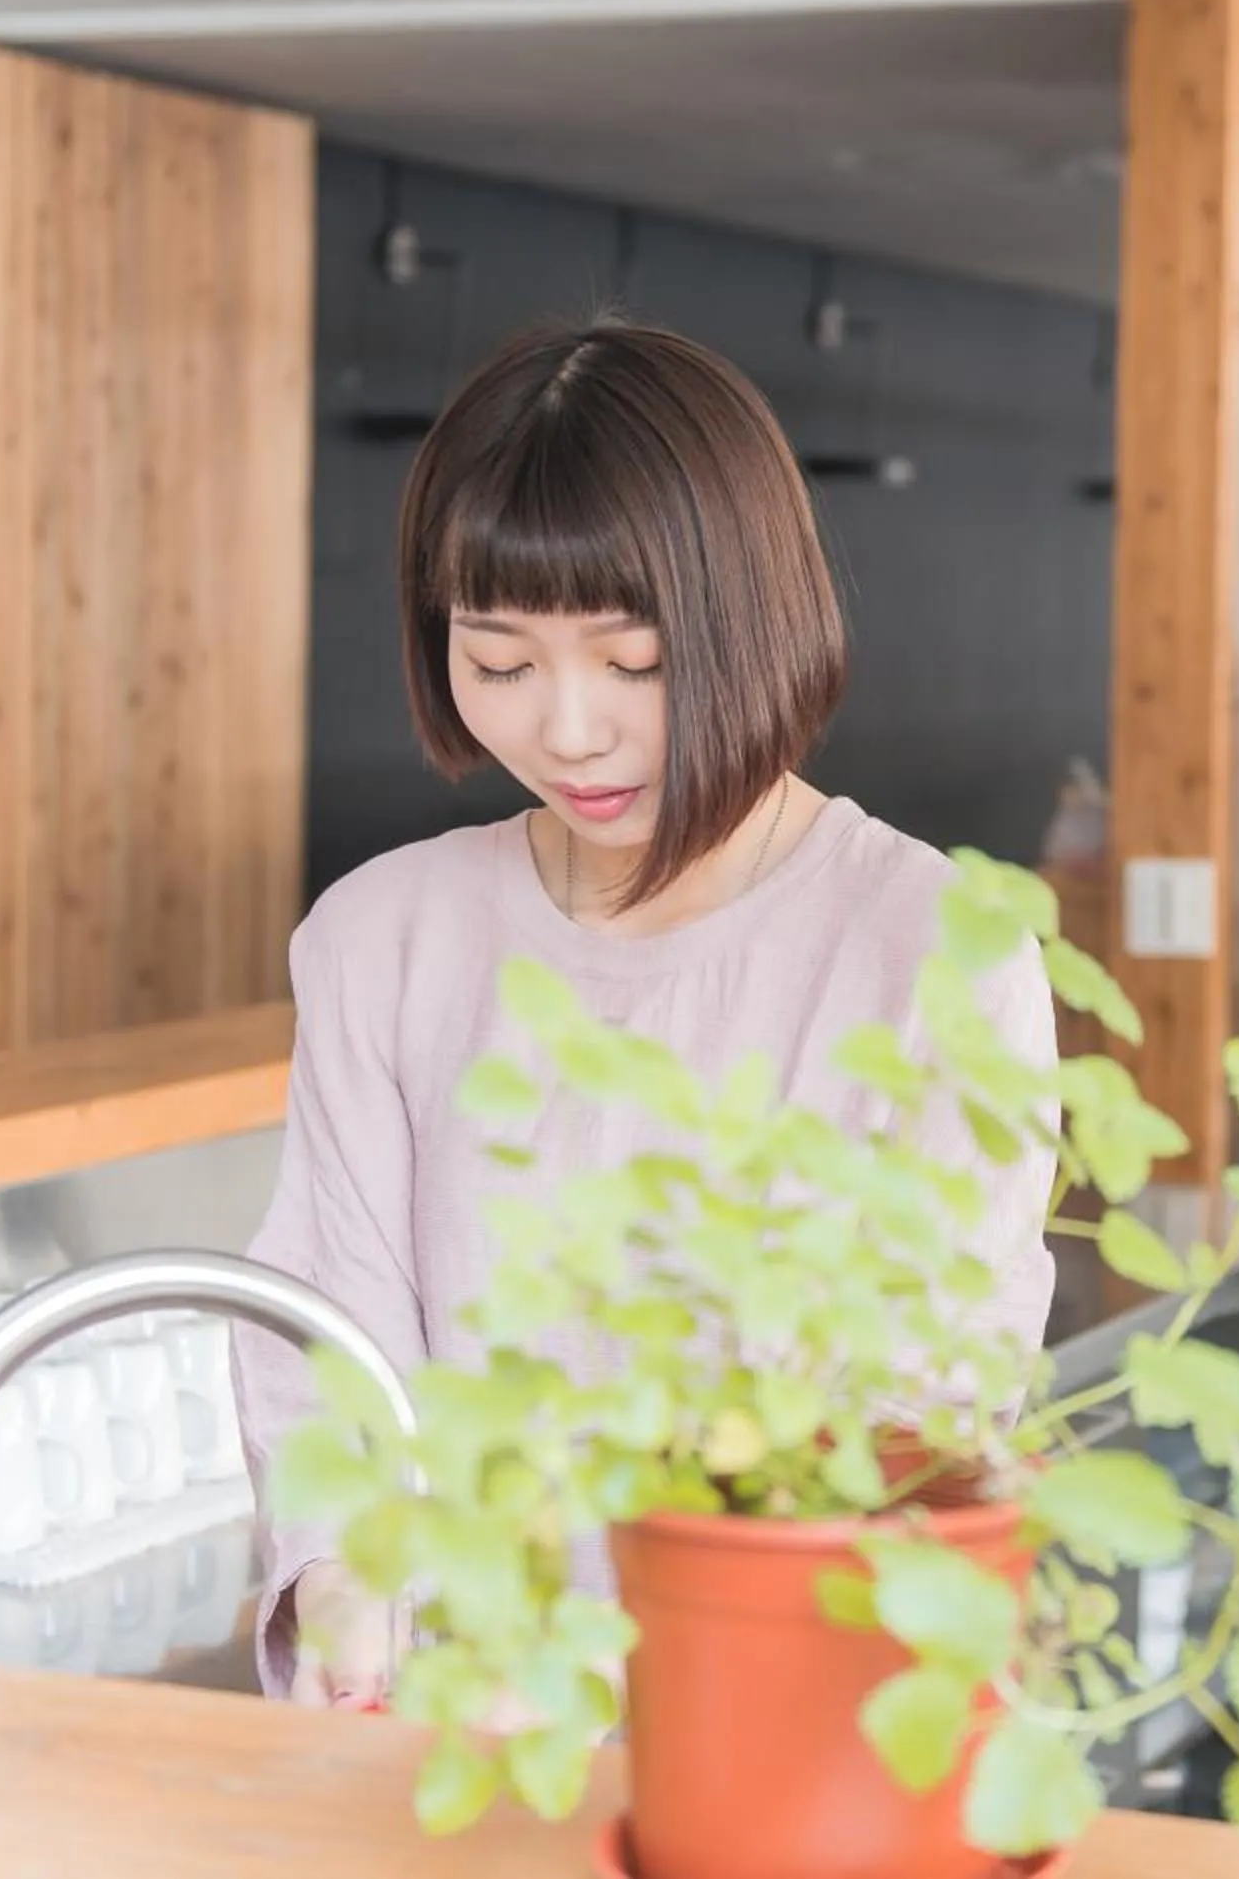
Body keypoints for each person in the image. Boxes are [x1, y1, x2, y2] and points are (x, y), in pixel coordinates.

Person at [233, 314, 1059, 1707]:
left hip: (779, 1736)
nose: (565, 728)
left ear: (760, 618)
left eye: (632, 663)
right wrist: (345, 1580)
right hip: (458, 1749)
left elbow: (926, 1419)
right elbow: (333, 1337)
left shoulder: (931, 951)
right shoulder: (383, 939)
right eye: (498, 662)